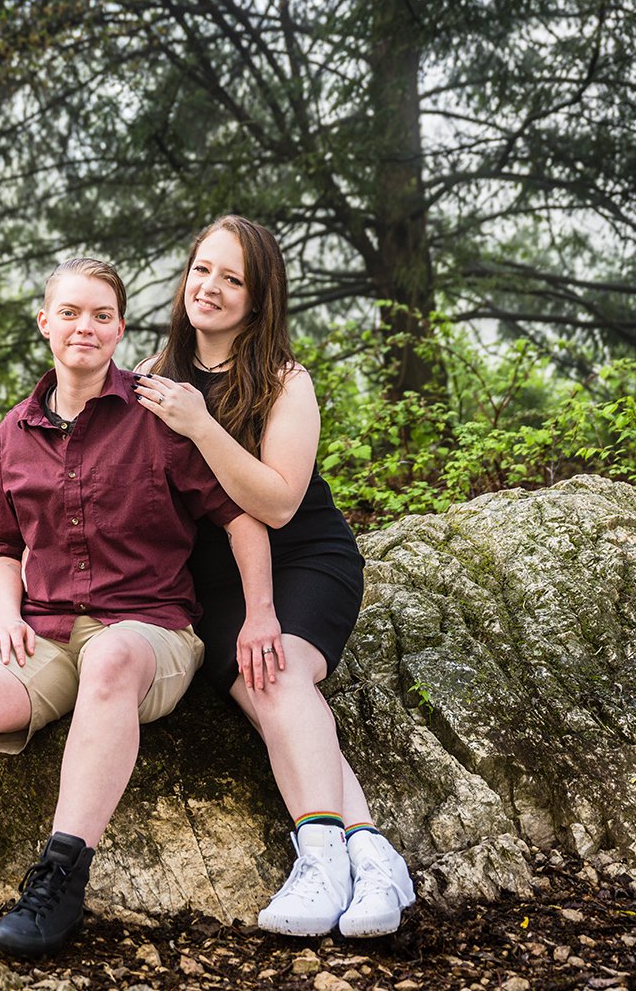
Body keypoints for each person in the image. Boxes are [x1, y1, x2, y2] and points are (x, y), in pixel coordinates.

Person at [0, 257, 279, 956]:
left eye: (102, 315)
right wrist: (6, 618)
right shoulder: (12, 433)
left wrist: (260, 614)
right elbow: (0, 545)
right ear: (45, 323)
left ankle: (59, 883)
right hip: (47, 628)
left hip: (148, 627)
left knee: (113, 662)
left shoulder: (157, 414)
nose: (85, 327)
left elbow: (240, 517)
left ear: (121, 330)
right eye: (70, 313)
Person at [133, 216, 416, 938]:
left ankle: (318, 857)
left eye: (233, 279)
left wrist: (201, 425)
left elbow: (280, 501)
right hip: (214, 584)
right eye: (203, 270)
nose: (211, 288)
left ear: (259, 301)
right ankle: (370, 853)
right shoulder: (151, 379)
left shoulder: (286, 381)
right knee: (271, 699)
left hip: (303, 561)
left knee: (280, 672)